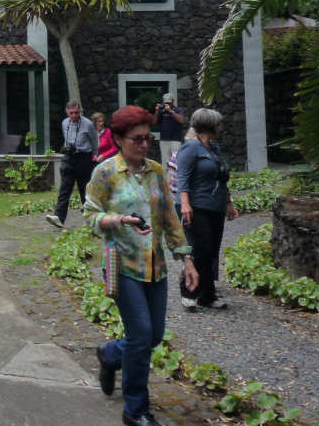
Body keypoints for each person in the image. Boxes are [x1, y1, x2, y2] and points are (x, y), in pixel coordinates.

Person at [85, 105, 198, 426]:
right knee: (141, 335)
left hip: (155, 265)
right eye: (137, 139)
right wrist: (120, 219)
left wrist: (186, 259)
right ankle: (135, 410)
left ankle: (110, 354)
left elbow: (169, 218)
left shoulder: (156, 171)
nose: (144, 144)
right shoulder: (105, 173)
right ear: (119, 139)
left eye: (148, 138)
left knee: (154, 336)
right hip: (122, 264)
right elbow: (90, 215)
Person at [175, 108, 239, 309]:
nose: (222, 127)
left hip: (215, 206)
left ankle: (207, 296)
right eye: (218, 124)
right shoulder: (191, 148)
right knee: (200, 249)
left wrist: (229, 203)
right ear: (208, 125)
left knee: (211, 251)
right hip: (196, 205)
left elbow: (221, 179)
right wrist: (185, 204)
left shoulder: (214, 149)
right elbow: (182, 177)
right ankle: (189, 292)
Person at [46, 100, 99, 228]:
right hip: (69, 157)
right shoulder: (65, 123)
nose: (74, 115)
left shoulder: (88, 124)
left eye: (76, 112)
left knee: (85, 189)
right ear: (67, 112)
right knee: (65, 188)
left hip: (84, 157)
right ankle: (59, 217)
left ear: (80, 111)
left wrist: (94, 155)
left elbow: (94, 141)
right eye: (71, 113)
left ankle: (90, 218)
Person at [153, 93, 186, 165]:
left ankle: (175, 173)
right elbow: (154, 122)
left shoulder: (178, 110)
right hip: (164, 140)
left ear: (173, 102)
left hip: (176, 140)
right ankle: (165, 173)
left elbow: (182, 120)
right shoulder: (161, 111)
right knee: (165, 161)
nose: (167, 104)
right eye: (166, 103)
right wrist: (157, 111)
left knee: (176, 162)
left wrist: (171, 111)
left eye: (169, 103)